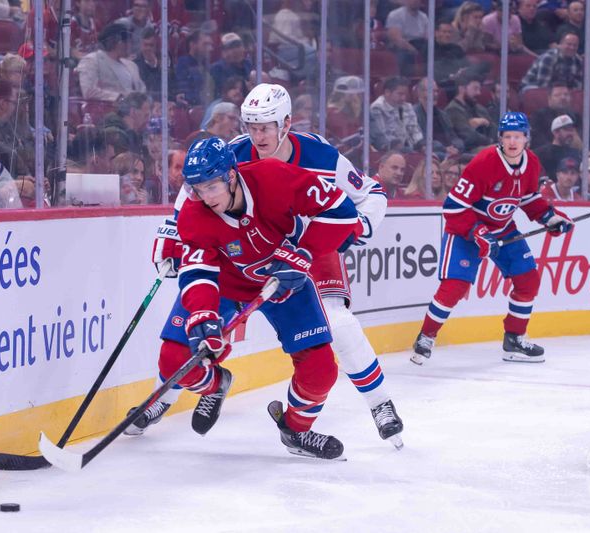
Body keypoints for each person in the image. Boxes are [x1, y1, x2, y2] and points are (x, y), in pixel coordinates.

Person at [139, 83, 404, 449]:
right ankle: (168, 393)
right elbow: (193, 196)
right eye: (250, 125)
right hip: (245, 249)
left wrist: (357, 227)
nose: (257, 135)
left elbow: (369, 194)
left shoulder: (320, 156)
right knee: (199, 324)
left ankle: (379, 404)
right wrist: (171, 234)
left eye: (265, 126)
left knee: (336, 325)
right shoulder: (231, 157)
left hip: (311, 241)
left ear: (287, 123)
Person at [156, 136, 358, 459]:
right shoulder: (193, 216)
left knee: (321, 371)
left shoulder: (274, 177)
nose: (205, 198)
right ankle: (216, 383)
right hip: (225, 284)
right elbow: (198, 275)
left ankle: (295, 430)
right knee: (173, 360)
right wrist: (204, 318)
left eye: (211, 187)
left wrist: (303, 253)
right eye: (197, 189)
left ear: (231, 176)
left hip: (285, 281)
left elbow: (342, 211)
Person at [410, 112, 574, 366]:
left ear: (526, 139)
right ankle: (426, 336)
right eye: (507, 136)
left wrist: (550, 218)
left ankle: (515, 339)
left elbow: (529, 199)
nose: (512, 141)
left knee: (528, 280)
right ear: (500, 139)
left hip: (503, 228)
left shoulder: (531, 162)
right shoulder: (484, 163)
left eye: (517, 136)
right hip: (466, 230)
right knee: (454, 286)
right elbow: (453, 207)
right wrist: (477, 232)